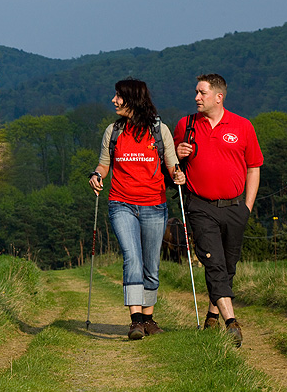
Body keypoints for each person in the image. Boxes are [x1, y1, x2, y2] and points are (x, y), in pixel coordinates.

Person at [89, 78, 185, 340]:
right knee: (132, 258)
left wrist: (178, 174)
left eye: (118, 96)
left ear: (132, 99)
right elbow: (104, 164)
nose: (113, 100)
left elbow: (172, 165)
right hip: (121, 203)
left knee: (151, 264)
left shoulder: (159, 130)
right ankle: (136, 320)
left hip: (154, 205)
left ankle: (149, 318)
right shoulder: (113, 131)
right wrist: (97, 175)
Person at [174, 73, 263, 347]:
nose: (196, 98)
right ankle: (231, 322)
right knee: (213, 262)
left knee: (228, 266)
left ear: (218, 96)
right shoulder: (185, 125)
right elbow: (172, 167)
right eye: (197, 92)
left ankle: (213, 314)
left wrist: (247, 207)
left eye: (201, 93)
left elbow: (254, 167)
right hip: (200, 206)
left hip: (235, 207)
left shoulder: (242, 126)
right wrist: (178, 154)